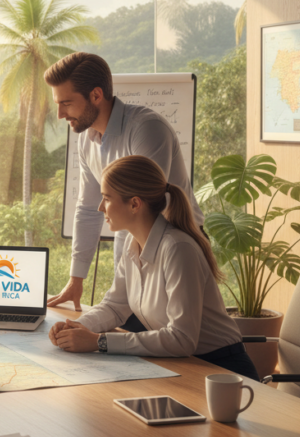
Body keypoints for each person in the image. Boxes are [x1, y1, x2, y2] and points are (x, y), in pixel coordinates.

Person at [48, 155, 258, 380]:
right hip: (183, 365)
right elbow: (115, 306)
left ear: (135, 204)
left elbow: (181, 339)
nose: (100, 207)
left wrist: (99, 342)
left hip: (222, 371)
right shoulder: (133, 243)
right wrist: (75, 327)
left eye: (106, 198)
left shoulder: (178, 249)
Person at [44, 52, 204, 311]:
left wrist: (121, 287)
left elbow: (140, 212)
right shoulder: (86, 139)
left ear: (96, 95)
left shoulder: (146, 129)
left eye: (67, 103)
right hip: (138, 252)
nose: (60, 114)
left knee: (173, 343)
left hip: (177, 248)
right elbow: (87, 210)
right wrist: (76, 279)